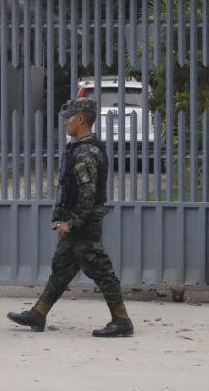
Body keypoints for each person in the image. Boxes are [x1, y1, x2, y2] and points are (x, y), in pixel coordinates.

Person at [8, 97, 134, 338]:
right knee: (62, 268)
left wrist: (72, 222)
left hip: (84, 224)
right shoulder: (81, 147)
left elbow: (87, 194)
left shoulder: (86, 152)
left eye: (69, 117)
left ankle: (121, 320)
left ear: (81, 119)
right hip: (79, 221)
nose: (65, 122)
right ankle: (38, 313)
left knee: (100, 269)